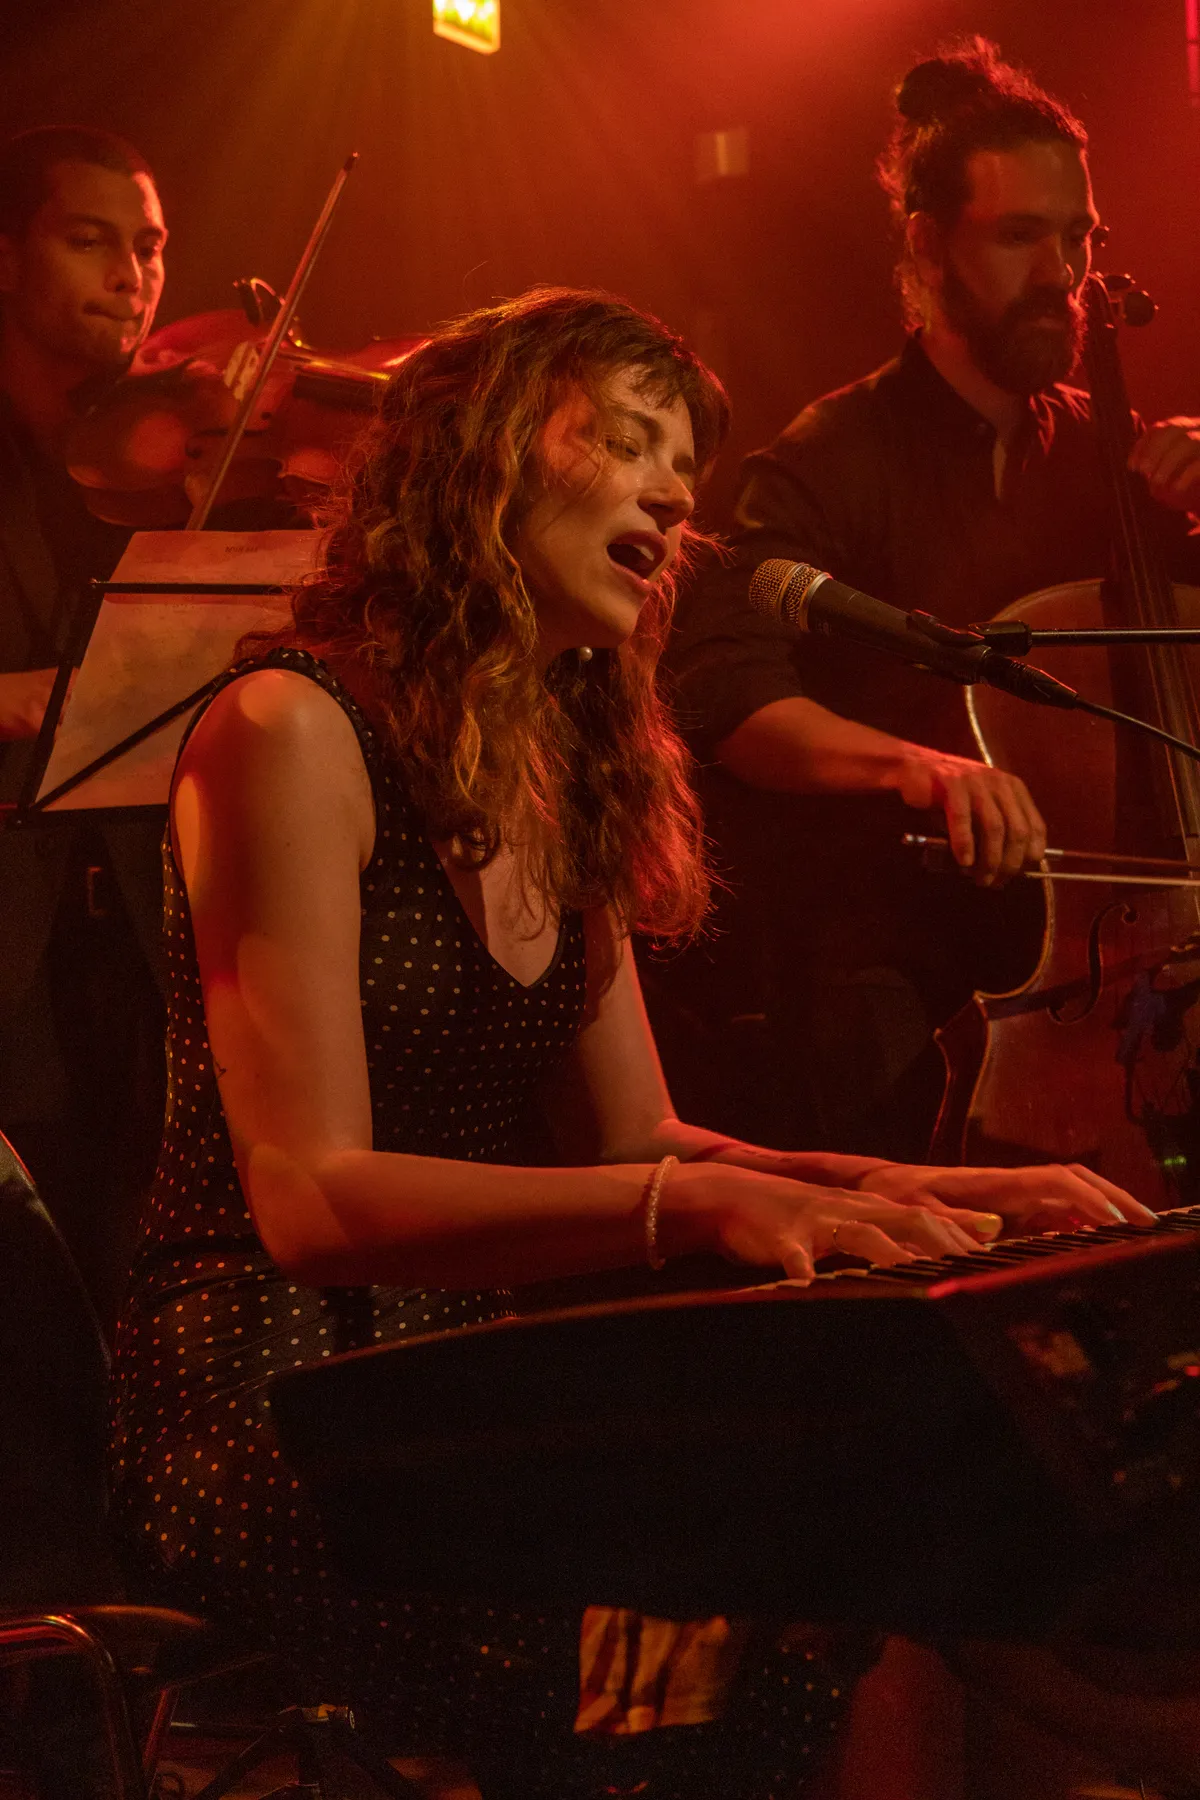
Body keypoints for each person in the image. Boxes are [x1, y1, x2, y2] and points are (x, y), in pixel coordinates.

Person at [108, 284, 1151, 1800]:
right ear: (481, 456)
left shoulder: (561, 763)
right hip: (269, 1396)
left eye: (683, 464)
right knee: (796, 1592)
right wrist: (696, 1207)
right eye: (624, 440)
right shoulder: (290, 730)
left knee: (926, 1541)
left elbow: (641, 1138)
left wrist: (942, 1199)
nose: (672, 494)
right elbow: (309, 1197)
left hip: (464, 1367)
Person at [657, 38, 1200, 1162]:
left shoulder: (1115, 464)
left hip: (1117, 978)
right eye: (1020, 236)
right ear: (927, 243)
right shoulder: (830, 457)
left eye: (1080, 236)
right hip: (896, 968)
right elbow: (726, 692)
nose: (1063, 273)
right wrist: (923, 767)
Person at [0, 125, 169, 1333]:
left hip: (139, 969)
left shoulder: (169, 454)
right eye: (90, 240)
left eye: (150, 246)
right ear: (7, 257)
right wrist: (27, 699)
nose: (132, 275)